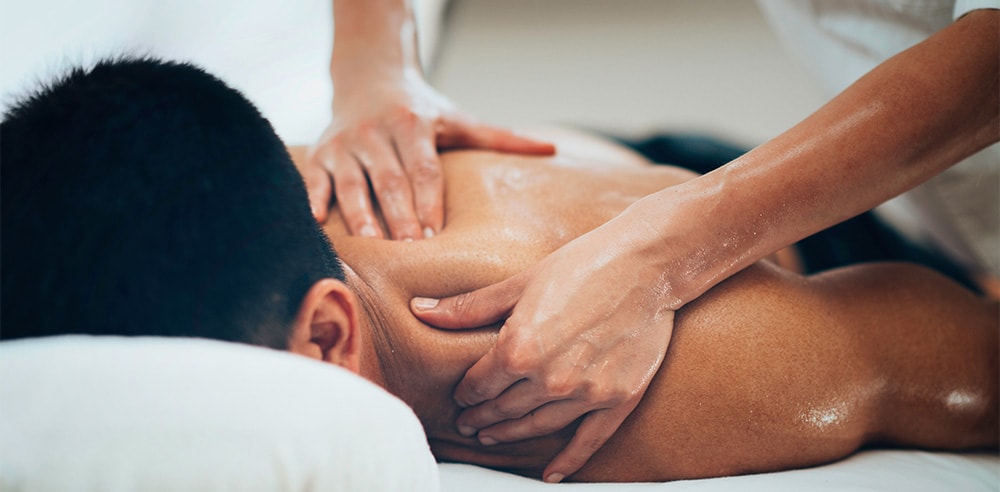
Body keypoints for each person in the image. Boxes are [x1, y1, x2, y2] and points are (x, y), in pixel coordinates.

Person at [3, 58, 997, 482]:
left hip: (807, 233)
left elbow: (960, 359)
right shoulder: (220, 204)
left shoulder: (663, 391)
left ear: (330, 336)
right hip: (571, 159)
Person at [309, 1, 999, 481]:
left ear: (325, 336)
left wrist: (664, 256)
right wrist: (374, 64)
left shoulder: (696, 373)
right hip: (640, 167)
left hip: (769, 242)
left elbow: (977, 363)